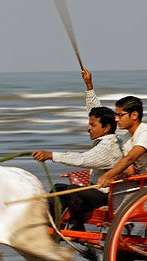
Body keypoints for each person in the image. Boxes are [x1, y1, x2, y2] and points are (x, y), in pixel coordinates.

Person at [32, 69, 123, 230]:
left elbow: (82, 160)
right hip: (97, 189)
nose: (88, 128)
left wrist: (51, 155)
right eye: (90, 124)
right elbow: (94, 111)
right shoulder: (106, 135)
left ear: (106, 127)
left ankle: (78, 225)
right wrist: (89, 85)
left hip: (106, 195)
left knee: (72, 191)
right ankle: (52, 226)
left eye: (92, 126)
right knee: (58, 189)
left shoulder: (109, 147)